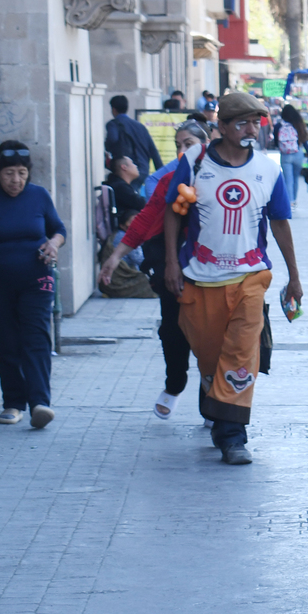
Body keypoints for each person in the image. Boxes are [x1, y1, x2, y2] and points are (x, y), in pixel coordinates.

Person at [163, 91, 303, 465]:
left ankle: (233, 436)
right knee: (211, 358)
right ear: (220, 127)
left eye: (254, 122)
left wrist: (293, 275)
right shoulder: (193, 162)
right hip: (200, 279)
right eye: (240, 122)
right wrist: (171, 264)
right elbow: (173, 213)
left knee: (241, 353)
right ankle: (215, 399)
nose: (249, 129)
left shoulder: (269, 170)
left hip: (250, 277)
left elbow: (279, 223)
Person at [100, 121, 209, 421]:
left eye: (188, 144)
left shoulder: (219, 177)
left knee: (210, 334)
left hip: (212, 266)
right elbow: (146, 219)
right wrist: (116, 257)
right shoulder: (169, 180)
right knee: (172, 330)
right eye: (178, 145)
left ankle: (211, 395)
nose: (182, 150)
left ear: (206, 144)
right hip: (171, 265)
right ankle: (175, 383)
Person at [0, 140, 66, 429]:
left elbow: (58, 229)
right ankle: (13, 403)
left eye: (21, 173)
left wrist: (53, 243)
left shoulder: (39, 196)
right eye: (8, 173)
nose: (15, 180)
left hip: (37, 279)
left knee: (36, 338)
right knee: (7, 342)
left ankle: (40, 403)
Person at [105, 95, 162, 186]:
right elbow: (153, 151)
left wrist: (107, 147)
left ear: (113, 109)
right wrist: (161, 174)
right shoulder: (140, 126)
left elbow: (112, 139)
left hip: (125, 171)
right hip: (142, 171)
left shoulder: (113, 124)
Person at [98, 210, 155, 299]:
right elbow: (140, 260)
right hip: (117, 281)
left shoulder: (120, 234)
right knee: (153, 282)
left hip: (116, 279)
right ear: (122, 225)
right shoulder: (124, 238)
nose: (137, 225)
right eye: (132, 222)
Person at [274, 105, 308, 205]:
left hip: (285, 155)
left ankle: (289, 201)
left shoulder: (278, 126)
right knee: (295, 178)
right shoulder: (298, 124)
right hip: (298, 154)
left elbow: (275, 142)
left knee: (288, 179)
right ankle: (294, 200)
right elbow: (304, 141)